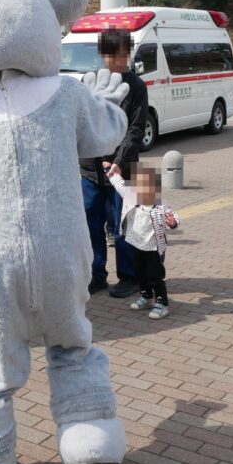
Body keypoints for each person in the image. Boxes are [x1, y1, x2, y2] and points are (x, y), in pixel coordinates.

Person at [80, 27, 148, 297]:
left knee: (123, 225)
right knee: (91, 225)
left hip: (123, 169)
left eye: (123, 55)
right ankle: (96, 275)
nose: (119, 61)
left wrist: (119, 161)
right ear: (103, 55)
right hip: (90, 170)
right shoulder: (91, 81)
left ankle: (128, 277)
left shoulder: (137, 86)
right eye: (113, 55)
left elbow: (136, 129)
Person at [107, 165, 179, 319]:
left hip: (153, 248)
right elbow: (119, 184)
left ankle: (162, 303)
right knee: (140, 273)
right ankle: (146, 297)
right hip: (136, 244)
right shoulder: (132, 200)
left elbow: (173, 217)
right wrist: (112, 173)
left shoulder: (160, 206)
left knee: (155, 276)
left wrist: (173, 223)